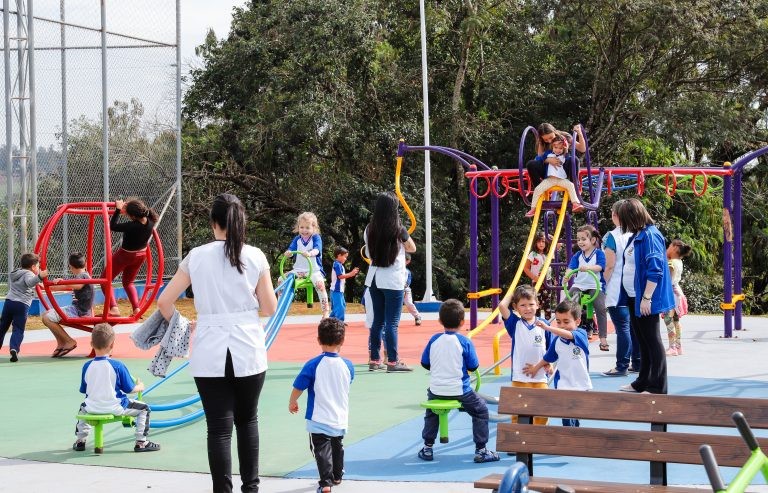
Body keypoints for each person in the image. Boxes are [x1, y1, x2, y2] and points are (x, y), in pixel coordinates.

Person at [157, 193, 277, 493]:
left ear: (214, 223)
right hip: (247, 344)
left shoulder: (196, 255)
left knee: (218, 429)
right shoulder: (255, 256)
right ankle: (252, 488)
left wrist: (183, 325)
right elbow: (269, 308)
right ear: (241, 222)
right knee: (248, 421)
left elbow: (165, 301)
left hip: (209, 347)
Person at [417, 299, 500, 463]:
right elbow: (473, 365)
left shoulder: (434, 340)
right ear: (462, 322)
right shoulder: (464, 341)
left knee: (432, 413)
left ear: (440, 321)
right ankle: (481, 450)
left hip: (436, 390)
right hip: (460, 391)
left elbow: (425, 363)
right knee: (481, 410)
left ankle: (427, 447)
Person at [616, 198, 675, 394]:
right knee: (641, 340)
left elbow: (655, 269)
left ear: (633, 217)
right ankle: (642, 381)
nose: (623, 225)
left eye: (625, 219)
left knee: (651, 339)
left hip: (646, 298)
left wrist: (647, 297)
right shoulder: (638, 235)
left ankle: (658, 385)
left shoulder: (651, 235)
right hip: (634, 296)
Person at [289, 318, 354, 493]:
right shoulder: (348, 366)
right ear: (342, 341)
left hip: (318, 417)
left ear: (319, 340)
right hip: (339, 416)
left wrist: (292, 401)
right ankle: (337, 475)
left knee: (321, 451)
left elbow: (299, 386)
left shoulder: (313, 364)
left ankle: (326, 483)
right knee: (337, 445)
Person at [73, 323, 160, 452]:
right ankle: (141, 442)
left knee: (83, 407)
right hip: (115, 406)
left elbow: (84, 390)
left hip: (92, 407)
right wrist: (140, 387)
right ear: (112, 345)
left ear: (91, 344)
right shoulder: (117, 366)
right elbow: (129, 389)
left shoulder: (87, 366)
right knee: (145, 409)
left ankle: (80, 440)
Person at [364, 192, 417, 372]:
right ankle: (393, 361)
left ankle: (374, 359)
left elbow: (369, 253)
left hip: (373, 278)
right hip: (393, 279)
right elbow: (413, 248)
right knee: (392, 322)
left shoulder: (369, 229)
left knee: (377, 321)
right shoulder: (398, 229)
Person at [523, 300, 592, 427]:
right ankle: (569, 439)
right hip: (563, 384)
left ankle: (573, 437)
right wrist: (536, 367)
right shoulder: (557, 342)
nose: (562, 325)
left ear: (577, 321)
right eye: (558, 322)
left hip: (580, 384)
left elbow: (569, 334)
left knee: (575, 415)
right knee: (566, 417)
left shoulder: (581, 335)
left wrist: (548, 327)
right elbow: (548, 358)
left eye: (566, 321)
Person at [498, 285, 552, 425]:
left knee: (543, 410)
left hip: (540, 377)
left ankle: (538, 437)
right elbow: (502, 307)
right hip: (520, 377)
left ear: (538, 304)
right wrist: (512, 292)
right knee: (518, 411)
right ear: (515, 307)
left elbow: (549, 349)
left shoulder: (544, 325)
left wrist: (549, 363)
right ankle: (519, 439)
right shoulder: (515, 324)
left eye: (531, 304)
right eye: (523, 305)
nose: (527, 308)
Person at [601, 200, 639, 376]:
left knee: (622, 327)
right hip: (634, 286)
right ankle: (637, 362)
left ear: (616, 215)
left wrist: (602, 284)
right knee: (634, 327)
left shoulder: (612, 236)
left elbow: (609, 265)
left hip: (617, 287)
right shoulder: (637, 233)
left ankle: (621, 365)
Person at [104, 198, 158, 317]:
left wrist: (118, 209)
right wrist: (129, 207)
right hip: (140, 255)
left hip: (126, 255)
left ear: (133, 216)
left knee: (105, 279)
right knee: (128, 282)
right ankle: (136, 309)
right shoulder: (151, 221)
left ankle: (114, 308)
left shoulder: (132, 226)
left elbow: (112, 226)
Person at [42, 252, 94, 357]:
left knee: (47, 318)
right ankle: (61, 343)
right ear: (85, 263)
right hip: (78, 309)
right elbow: (65, 286)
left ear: (70, 266)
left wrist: (61, 282)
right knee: (46, 314)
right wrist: (47, 286)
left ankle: (69, 341)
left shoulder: (82, 276)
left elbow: (76, 285)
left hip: (79, 311)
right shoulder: (82, 275)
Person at [0, 253, 48, 362]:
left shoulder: (17, 273)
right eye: (38, 266)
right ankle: (14, 348)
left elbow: (25, 284)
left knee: (2, 327)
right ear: (33, 267)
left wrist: (37, 282)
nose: (39, 269)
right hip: (21, 305)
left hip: (9, 302)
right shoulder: (29, 274)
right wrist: (40, 276)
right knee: (18, 328)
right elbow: (30, 282)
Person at [567, 225, 608, 351]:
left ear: (593, 240)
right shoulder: (578, 255)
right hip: (580, 285)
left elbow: (600, 267)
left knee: (600, 307)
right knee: (570, 304)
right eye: (578, 239)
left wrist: (588, 268)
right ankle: (570, 333)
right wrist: (567, 276)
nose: (580, 242)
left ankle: (603, 339)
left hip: (595, 285)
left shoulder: (599, 253)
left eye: (583, 239)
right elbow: (570, 268)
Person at [525, 134, 585, 217]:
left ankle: (575, 203)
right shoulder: (548, 154)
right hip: (549, 180)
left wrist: (566, 147)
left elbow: (569, 156)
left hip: (561, 180)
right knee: (537, 189)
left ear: (564, 148)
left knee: (571, 185)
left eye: (560, 148)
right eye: (555, 147)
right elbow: (538, 159)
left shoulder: (564, 155)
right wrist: (547, 159)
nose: (558, 150)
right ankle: (533, 209)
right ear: (552, 146)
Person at [283, 212, 330, 318]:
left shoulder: (316, 238)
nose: (304, 230)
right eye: (302, 227)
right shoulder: (297, 239)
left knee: (320, 285)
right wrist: (288, 253)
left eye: (307, 227)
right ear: (298, 227)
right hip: (298, 270)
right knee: (281, 280)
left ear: (314, 228)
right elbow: (291, 249)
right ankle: (282, 306)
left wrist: (310, 253)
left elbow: (317, 250)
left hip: (313, 270)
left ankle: (325, 311)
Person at [525, 123, 587, 188]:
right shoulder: (541, 142)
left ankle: (574, 187)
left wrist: (579, 133)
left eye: (551, 137)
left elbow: (582, 149)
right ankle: (539, 189)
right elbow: (539, 158)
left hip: (563, 168)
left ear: (554, 131)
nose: (549, 141)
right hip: (548, 171)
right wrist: (548, 160)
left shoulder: (564, 137)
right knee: (531, 164)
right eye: (546, 140)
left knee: (574, 159)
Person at [664, 239, 692, 356]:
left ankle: (672, 347)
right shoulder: (679, 261)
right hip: (677, 292)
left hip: (671, 293)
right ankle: (678, 346)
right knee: (676, 320)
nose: (667, 248)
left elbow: (667, 279)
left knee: (668, 319)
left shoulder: (671, 263)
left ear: (675, 247)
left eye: (669, 245)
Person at [523, 231, 554, 319]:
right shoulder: (533, 254)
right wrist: (534, 278)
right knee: (537, 303)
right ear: (535, 243)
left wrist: (548, 235)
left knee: (547, 303)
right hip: (536, 281)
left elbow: (558, 244)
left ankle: (547, 324)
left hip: (547, 281)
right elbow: (526, 268)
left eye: (543, 241)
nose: (541, 244)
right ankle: (536, 322)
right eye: (539, 241)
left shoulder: (548, 253)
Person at [329, 246, 359, 321]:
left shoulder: (339, 265)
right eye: (345, 257)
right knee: (340, 307)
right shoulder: (337, 265)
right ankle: (339, 322)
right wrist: (351, 274)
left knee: (340, 306)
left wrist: (351, 273)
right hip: (336, 290)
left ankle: (331, 321)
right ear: (339, 255)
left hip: (339, 291)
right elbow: (340, 276)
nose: (346, 259)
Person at [403, 253, 422, 325]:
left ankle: (417, 317)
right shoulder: (394, 269)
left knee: (409, 303)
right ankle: (392, 322)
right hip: (396, 290)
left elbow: (408, 281)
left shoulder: (407, 271)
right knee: (393, 305)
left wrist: (405, 286)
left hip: (405, 290)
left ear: (408, 261)